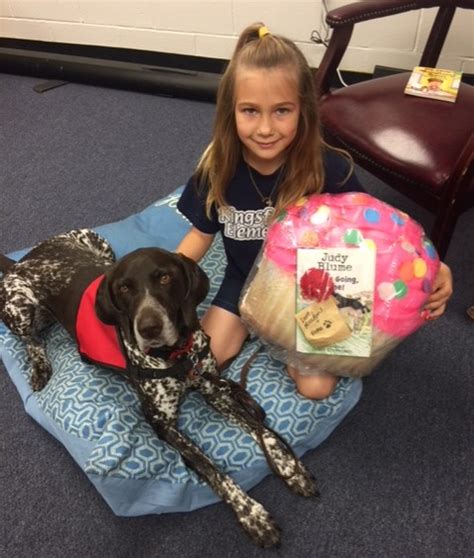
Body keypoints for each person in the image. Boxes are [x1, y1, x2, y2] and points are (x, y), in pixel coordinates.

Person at [176, 23, 453, 399]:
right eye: (250, 111)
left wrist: (436, 267)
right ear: (230, 111)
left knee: (316, 387)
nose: (266, 128)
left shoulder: (327, 169)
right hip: (242, 283)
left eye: (282, 111)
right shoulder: (217, 169)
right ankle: (260, 335)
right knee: (201, 364)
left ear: (303, 110)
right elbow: (200, 235)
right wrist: (165, 280)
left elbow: (379, 233)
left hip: (310, 293)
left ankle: (288, 345)